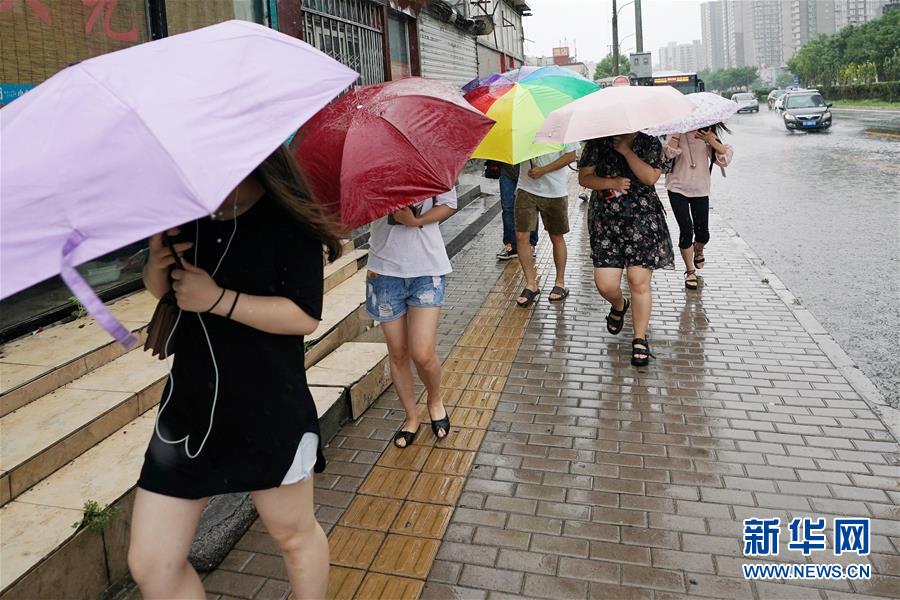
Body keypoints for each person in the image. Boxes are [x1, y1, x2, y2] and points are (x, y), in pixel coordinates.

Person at [130, 146, 340, 599]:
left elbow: (304, 316)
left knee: (293, 535)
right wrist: (155, 261)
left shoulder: (287, 214)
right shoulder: (187, 211)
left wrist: (218, 299)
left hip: (267, 407)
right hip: (189, 412)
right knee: (151, 563)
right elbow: (160, 291)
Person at [366, 190, 457, 448]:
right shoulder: (374, 169)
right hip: (383, 270)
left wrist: (415, 221)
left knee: (422, 353)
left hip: (427, 269)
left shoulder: (430, 160)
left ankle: (435, 399)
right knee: (397, 352)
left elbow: (449, 205)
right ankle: (411, 417)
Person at [578, 133, 675, 367]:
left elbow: (651, 177)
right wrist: (610, 183)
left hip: (643, 219)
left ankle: (639, 338)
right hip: (606, 222)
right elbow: (584, 178)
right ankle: (620, 305)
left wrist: (626, 151)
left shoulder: (650, 143)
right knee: (606, 285)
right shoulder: (597, 141)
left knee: (638, 279)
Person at [663, 123, 733, 289]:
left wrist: (710, 139)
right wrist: (677, 134)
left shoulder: (707, 133)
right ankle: (690, 271)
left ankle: (699, 249)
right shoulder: (676, 131)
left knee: (703, 234)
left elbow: (723, 158)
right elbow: (667, 155)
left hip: (701, 189)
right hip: (677, 187)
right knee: (686, 229)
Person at [514, 145, 579, 307]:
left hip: (554, 191)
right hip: (525, 188)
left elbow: (571, 156)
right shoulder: (521, 124)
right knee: (521, 236)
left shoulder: (561, 122)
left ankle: (560, 282)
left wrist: (544, 170)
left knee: (556, 236)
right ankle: (530, 284)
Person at [496, 161, 538, 260]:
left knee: (531, 210)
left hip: (529, 173)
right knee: (507, 209)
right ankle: (510, 245)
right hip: (507, 171)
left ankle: (530, 243)